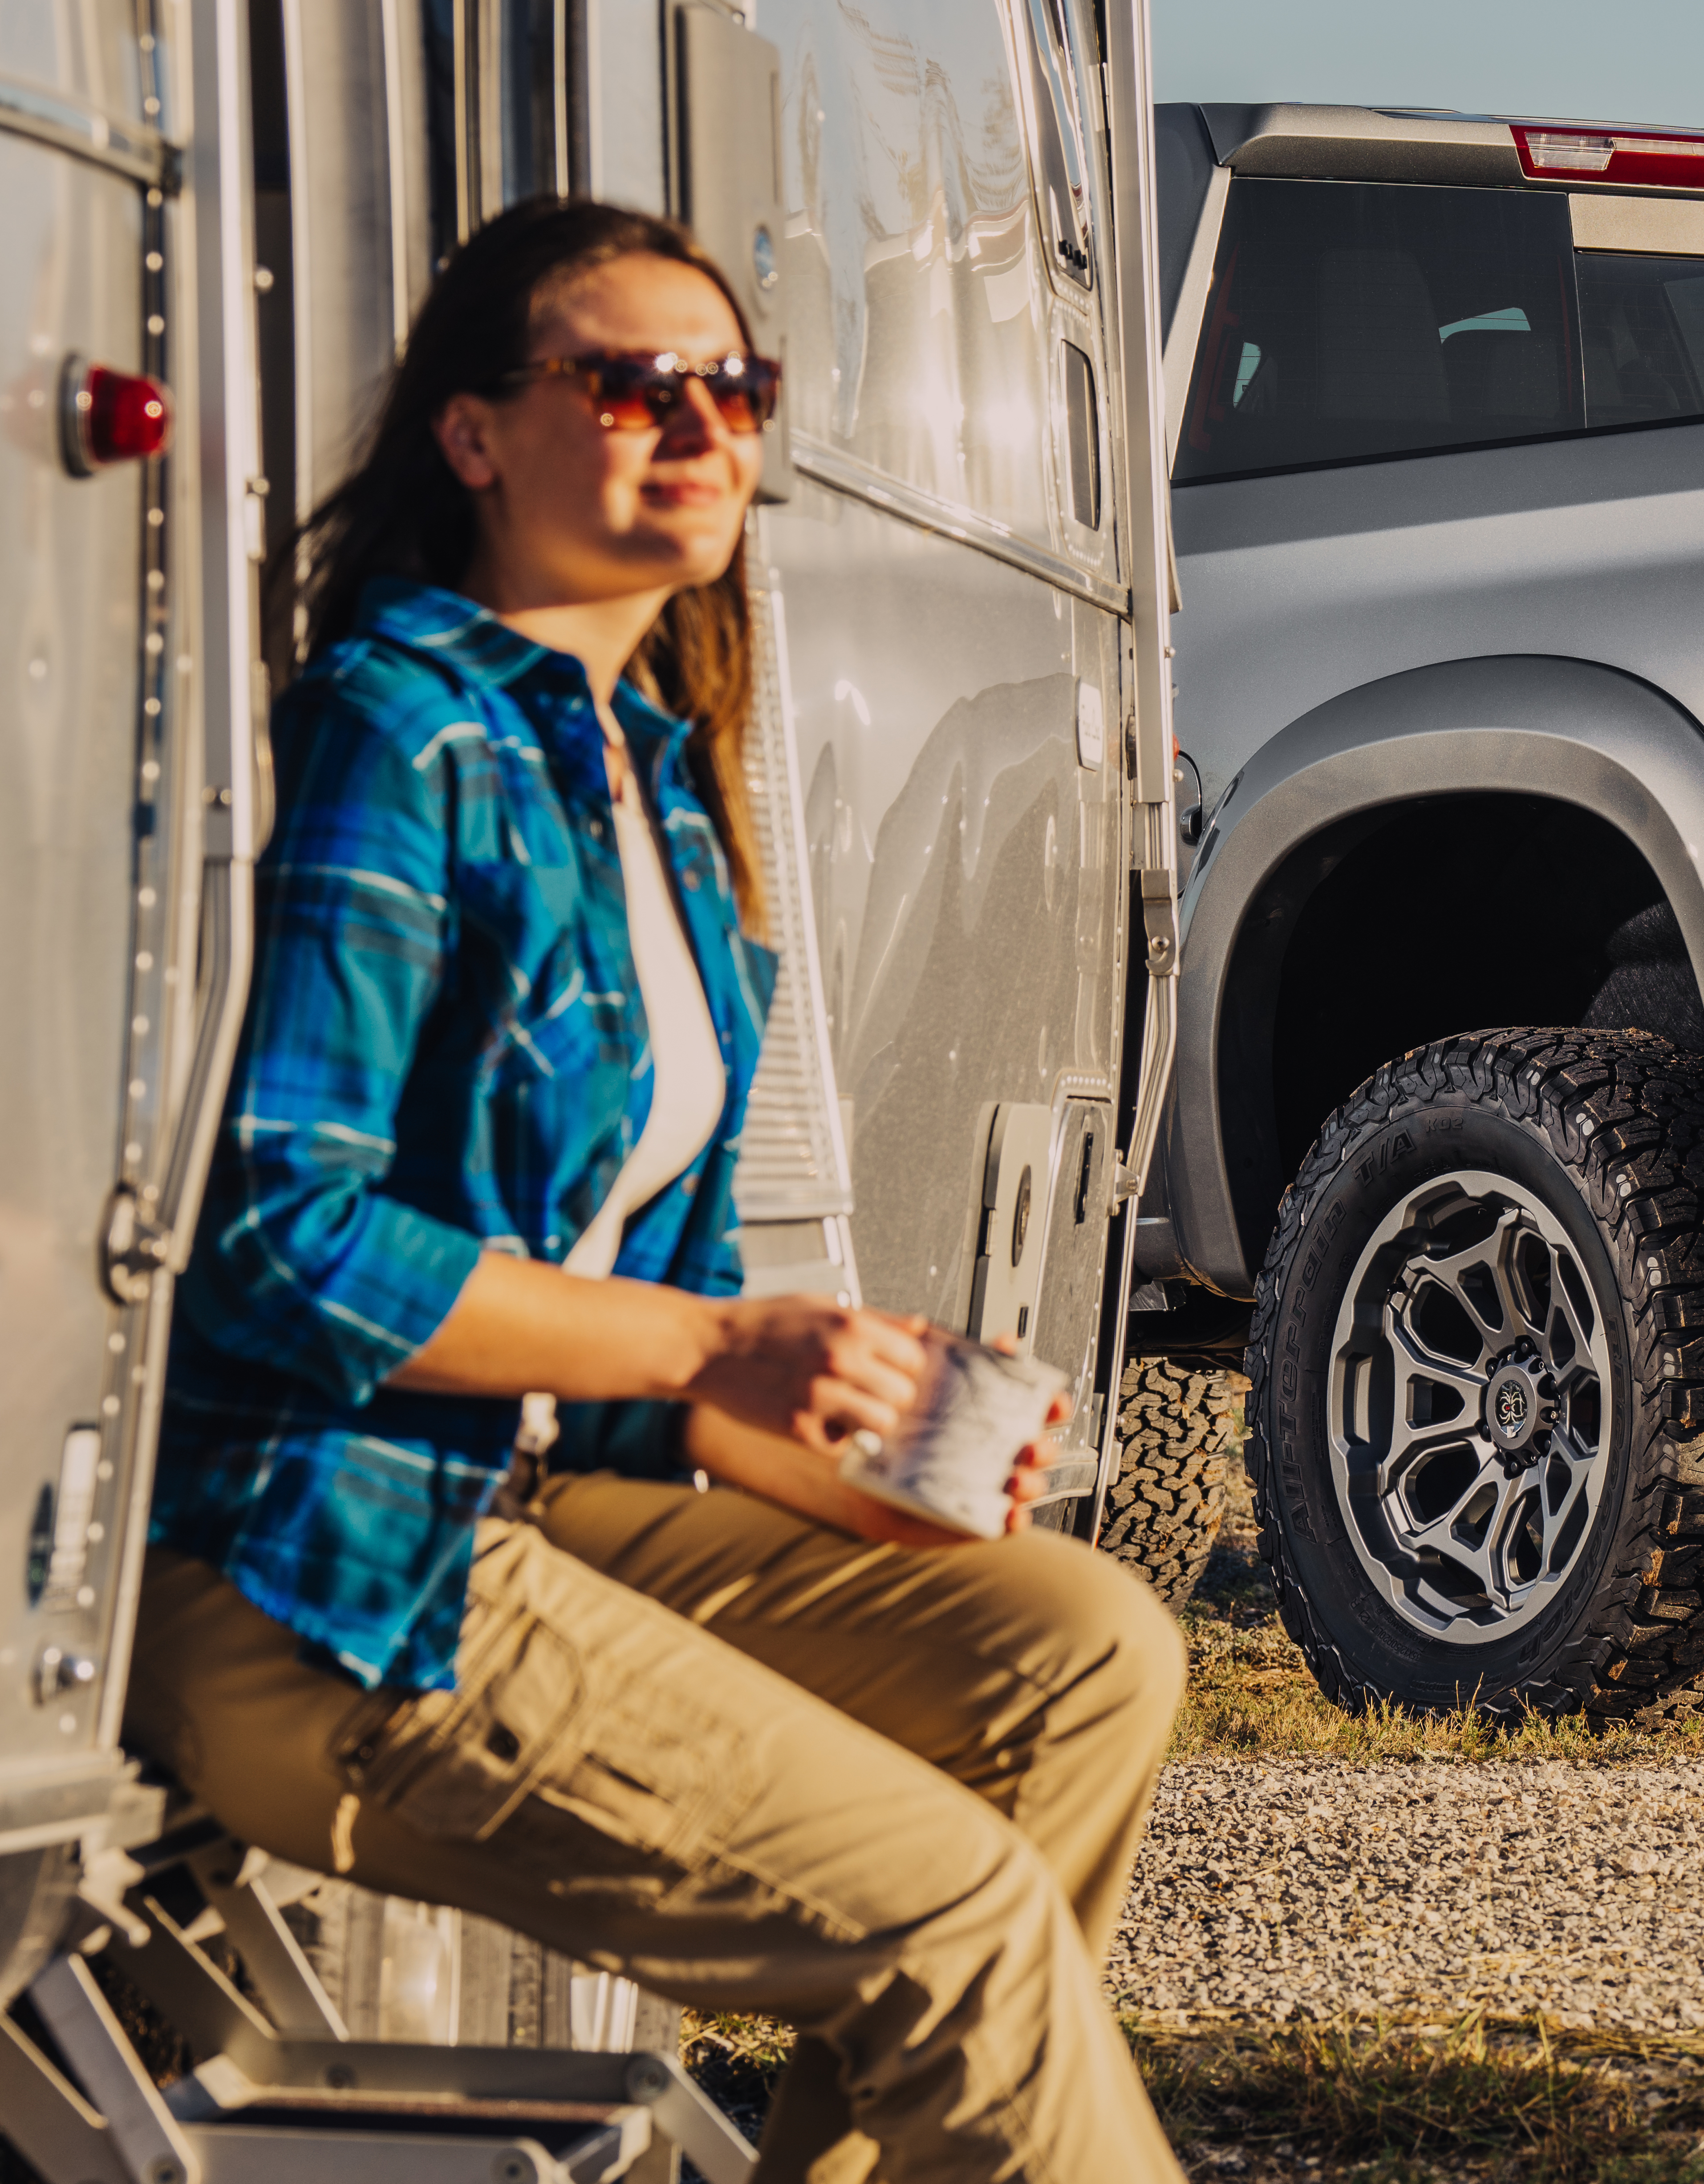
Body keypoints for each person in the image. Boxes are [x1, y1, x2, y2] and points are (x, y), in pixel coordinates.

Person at [122, 197, 1189, 2184]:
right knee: (948, 1918)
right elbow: (282, 1238)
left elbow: (659, 1369)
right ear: (475, 436)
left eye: (736, 386)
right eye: (627, 383)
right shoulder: (402, 723)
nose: (697, 424)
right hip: (327, 1573)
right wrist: (724, 1337)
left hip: (551, 1508)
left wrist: (870, 1455)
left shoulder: (660, 779)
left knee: (1081, 1648)